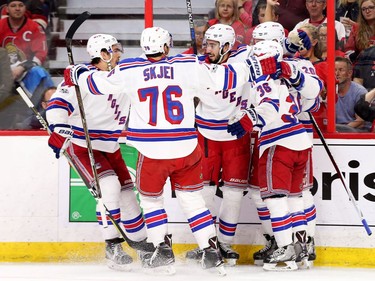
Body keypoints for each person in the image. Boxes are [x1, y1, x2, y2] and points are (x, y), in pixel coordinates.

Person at [63, 26, 278, 274]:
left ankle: (162, 252)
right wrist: (258, 68)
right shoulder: (188, 65)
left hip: (152, 151)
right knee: (193, 201)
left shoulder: (128, 69)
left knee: (152, 201)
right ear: (166, 47)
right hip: (186, 148)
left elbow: (96, 83)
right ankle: (210, 252)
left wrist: (77, 73)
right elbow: (226, 77)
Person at [46, 34, 155, 272]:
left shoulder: (120, 77)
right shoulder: (80, 79)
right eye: (115, 50)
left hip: (111, 146)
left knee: (129, 197)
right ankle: (112, 246)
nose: (119, 54)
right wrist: (60, 128)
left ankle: (144, 247)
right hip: (83, 145)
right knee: (109, 188)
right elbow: (57, 106)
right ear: (103, 53)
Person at [227, 40, 322, 271]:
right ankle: (301, 246)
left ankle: (284, 246)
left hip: (277, 142)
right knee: (295, 197)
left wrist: (249, 118)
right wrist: (292, 73)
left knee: (274, 198)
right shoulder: (291, 72)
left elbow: (269, 107)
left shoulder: (265, 79)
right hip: (300, 139)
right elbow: (315, 95)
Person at [185, 24, 252, 267]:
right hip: (205, 136)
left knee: (233, 194)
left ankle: (225, 243)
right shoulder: (197, 63)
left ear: (226, 46)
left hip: (236, 136)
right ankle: (207, 242)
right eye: (205, 44)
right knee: (204, 191)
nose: (206, 49)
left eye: (212, 45)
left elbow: (270, 51)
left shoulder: (243, 59)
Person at [335, 56, 368, 132]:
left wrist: (341, 130)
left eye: (341, 70)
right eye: (334, 70)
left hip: (356, 131)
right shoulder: (329, 90)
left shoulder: (359, 92)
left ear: (349, 73)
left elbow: (360, 121)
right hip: (336, 131)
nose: (336, 73)